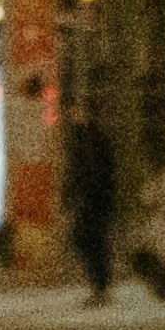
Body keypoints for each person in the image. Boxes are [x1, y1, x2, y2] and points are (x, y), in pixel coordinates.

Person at [61, 106, 123, 305]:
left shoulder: (92, 139)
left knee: (92, 242)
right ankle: (100, 286)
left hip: (95, 200)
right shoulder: (83, 139)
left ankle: (101, 286)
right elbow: (75, 172)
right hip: (92, 200)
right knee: (89, 241)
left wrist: (71, 195)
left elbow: (87, 172)